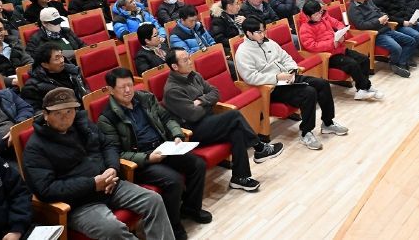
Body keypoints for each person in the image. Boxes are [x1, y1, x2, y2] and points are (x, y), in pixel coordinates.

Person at [22, 87, 175, 240]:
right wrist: (93, 184)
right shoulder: (35, 148)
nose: (65, 117)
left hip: (110, 184)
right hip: (79, 202)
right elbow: (45, 189)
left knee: (153, 200)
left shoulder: (83, 125)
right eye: (58, 113)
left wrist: (112, 168)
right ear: (45, 115)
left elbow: (108, 145)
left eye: (69, 111)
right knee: (113, 229)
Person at [98, 68, 209, 239]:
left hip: (164, 147)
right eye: (122, 87)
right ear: (111, 90)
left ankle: (190, 209)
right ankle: (173, 225)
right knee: (173, 181)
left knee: (197, 164)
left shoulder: (145, 98)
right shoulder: (107, 118)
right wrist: (148, 158)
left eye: (130, 85)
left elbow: (166, 118)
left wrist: (177, 134)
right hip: (141, 161)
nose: (128, 90)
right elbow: (116, 152)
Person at [163, 48, 283, 191]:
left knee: (237, 131)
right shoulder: (172, 90)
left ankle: (240, 177)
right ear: (175, 66)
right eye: (185, 60)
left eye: (189, 58)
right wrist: (208, 103)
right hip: (193, 131)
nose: (190, 62)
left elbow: (216, 93)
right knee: (233, 115)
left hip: (208, 121)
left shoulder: (194, 75)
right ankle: (259, 147)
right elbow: (193, 115)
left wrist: (201, 100)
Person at [235, 18, 347, 150]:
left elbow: (285, 57)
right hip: (272, 87)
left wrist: (292, 69)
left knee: (322, 84)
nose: (263, 34)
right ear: (248, 33)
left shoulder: (269, 42)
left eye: (264, 30)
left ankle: (327, 123)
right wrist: (276, 77)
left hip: (287, 77)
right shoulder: (243, 52)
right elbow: (250, 77)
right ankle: (306, 133)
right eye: (259, 32)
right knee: (308, 92)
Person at [299, 0, 382, 101]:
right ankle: (366, 87)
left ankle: (362, 89)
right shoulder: (305, 28)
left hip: (339, 49)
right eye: (316, 15)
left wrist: (342, 34)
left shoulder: (325, 18)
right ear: (308, 16)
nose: (319, 16)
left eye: (320, 12)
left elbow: (339, 24)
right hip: (327, 56)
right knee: (352, 64)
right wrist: (332, 43)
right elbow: (312, 46)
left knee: (364, 59)